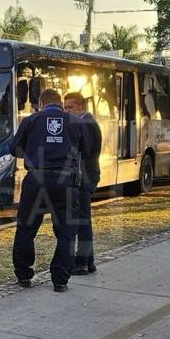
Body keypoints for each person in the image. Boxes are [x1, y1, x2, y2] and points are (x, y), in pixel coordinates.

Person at [10, 88, 89, 292]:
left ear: (42, 104)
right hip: (66, 181)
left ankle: (24, 275)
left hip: (36, 179)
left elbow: (14, 149)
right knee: (66, 232)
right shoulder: (75, 122)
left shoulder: (31, 120)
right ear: (61, 104)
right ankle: (60, 280)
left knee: (26, 228)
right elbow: (86, 151)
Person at [63, 91, 102, 275]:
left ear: (80, 106)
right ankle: (89, 260)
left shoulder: (84, 123)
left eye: (70, 107)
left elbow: (83, 151)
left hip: (83, 177)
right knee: (83, 219)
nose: (67, 111)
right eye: (65, 107)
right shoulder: (89, 122)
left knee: (82, 221)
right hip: (87, 175)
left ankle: (82, 261)